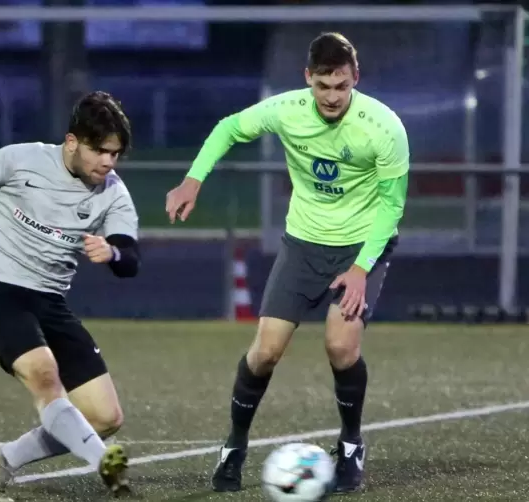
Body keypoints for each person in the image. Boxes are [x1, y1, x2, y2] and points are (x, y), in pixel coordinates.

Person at [165, 32, 409, 494]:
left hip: (362, 249)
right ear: (307, 80)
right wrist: (193, 180)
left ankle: (351, 446)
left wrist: (360, 269)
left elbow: (392, 206)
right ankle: (234, 445)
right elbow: (228, 128)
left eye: (340, 85)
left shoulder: (384, 127)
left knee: (341, 347)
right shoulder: (287, 110)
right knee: (266, 351)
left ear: (355, 78)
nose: (332, 96)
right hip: (302, 245)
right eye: (322, 85)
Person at [0, 91, 140, 502]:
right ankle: (104, 463)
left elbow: (130, 258)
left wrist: (114, 252)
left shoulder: (113, 193)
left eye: (115, 154)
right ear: (72, 142)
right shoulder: (24, 158)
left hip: (50, 303)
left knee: (104, 416)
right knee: (45, 376)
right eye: (100, 151)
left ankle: (4, 458)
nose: (108, 162)